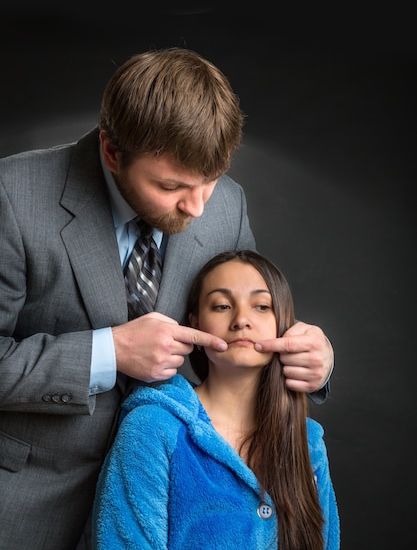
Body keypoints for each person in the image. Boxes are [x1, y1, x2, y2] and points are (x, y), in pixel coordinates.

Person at [0, 47, 334, 550]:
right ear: (112, 152)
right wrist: (108, 352)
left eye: (210, 181)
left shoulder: (226, 206)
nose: (198, 207)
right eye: (171, 186)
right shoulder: (12, 195)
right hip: (32, 506)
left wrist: (312, 362)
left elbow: (236, 324)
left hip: (177, 510)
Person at [92, 250, 340, 549]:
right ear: (194, 323)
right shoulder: (152, 427)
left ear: (284, 324)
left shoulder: (308, 442)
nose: (241, 320)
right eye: (222, 305)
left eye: (261, 306)